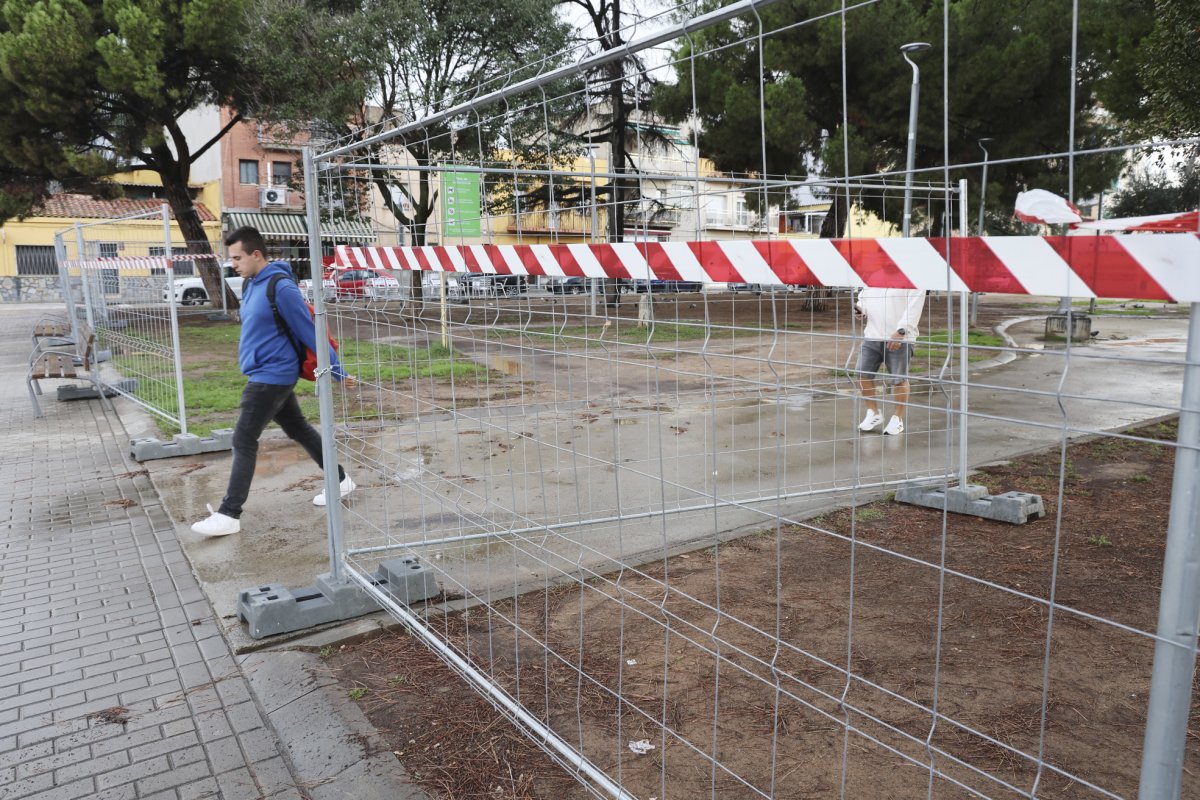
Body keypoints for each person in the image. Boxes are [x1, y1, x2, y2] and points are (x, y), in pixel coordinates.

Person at [192, 227, 357, 537]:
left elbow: (310, 330)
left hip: (273, 377)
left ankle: (229, 514)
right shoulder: (250, 283)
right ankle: (340, 480)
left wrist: (336, 370)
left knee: (243, 439)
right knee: (298, 429)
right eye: (232, 259)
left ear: (257, 254)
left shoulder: (281, 288)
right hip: (263, 373)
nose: (234, 264)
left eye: (238, 258)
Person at [854, 288, 926, 436]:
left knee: (898, 379)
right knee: (862, 373)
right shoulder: (874, 278)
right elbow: (864, 299)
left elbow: (914, 307)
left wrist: (902, 331)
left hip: (900, 338)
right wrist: (860, 309)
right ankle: (873, 413)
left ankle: (897, 419)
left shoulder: (911, 280)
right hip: (872, 335)